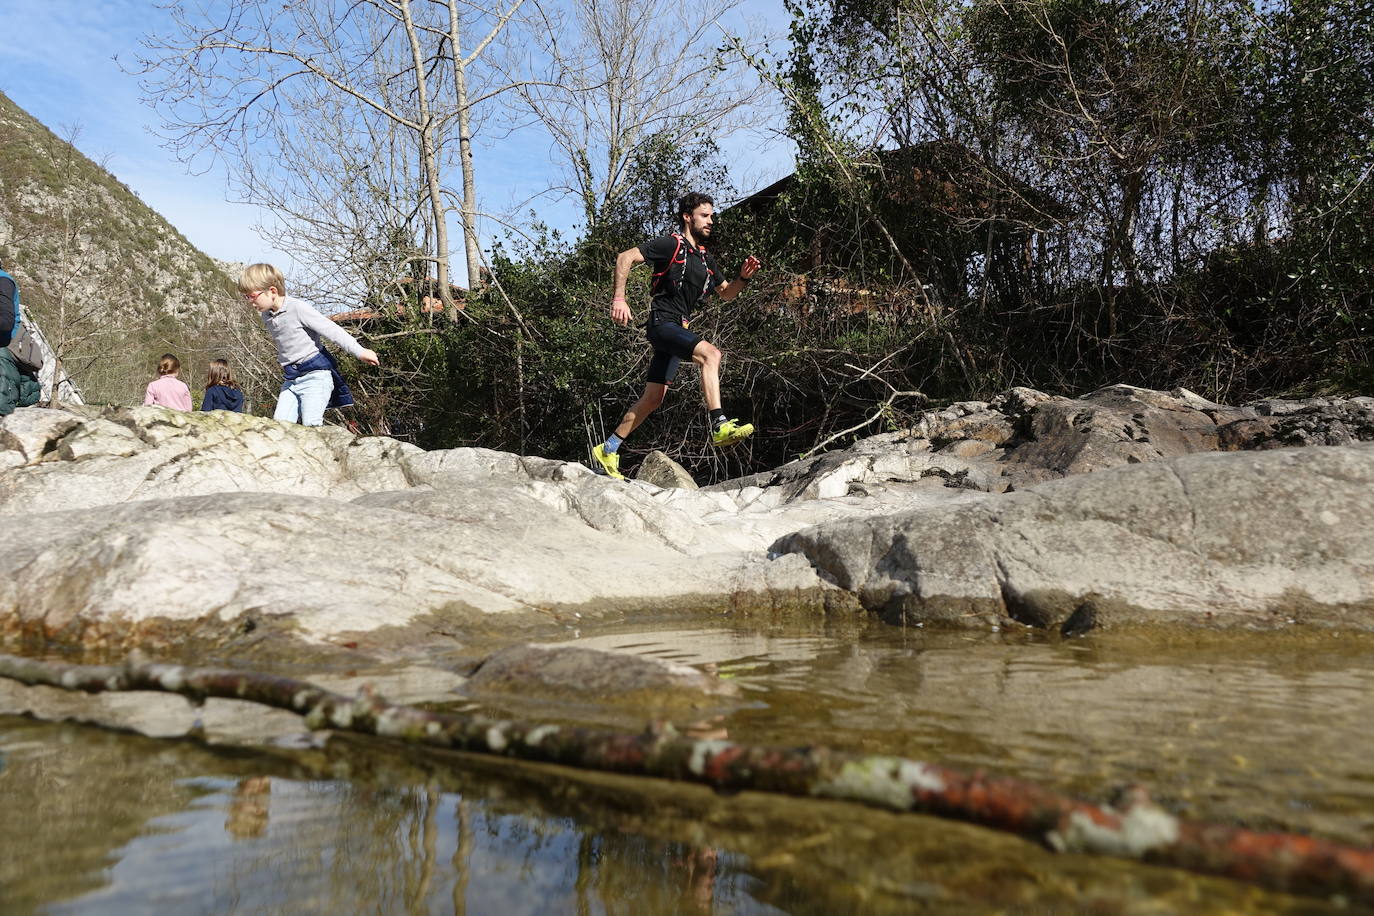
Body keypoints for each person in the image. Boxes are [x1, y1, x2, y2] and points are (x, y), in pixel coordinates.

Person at [590, 192, 762, 479]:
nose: (710, 221)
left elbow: (726, 293)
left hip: (677, 330)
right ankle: (719, 423)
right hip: (662, 323)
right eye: (704, 215)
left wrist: (743, 278)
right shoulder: (671, 244)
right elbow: (625, 257)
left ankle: (608, 449)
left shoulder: (705, 259)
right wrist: (619, 299)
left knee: (653, 398)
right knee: (711, 354)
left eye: (711, 216)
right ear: (687, 217)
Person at [237, 263, 379, 426]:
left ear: (273, 291)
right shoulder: (266, 316)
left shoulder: (298, 308)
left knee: (311, 425)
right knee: (279, 426)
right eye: (246, 297)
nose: (250, 301)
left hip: (315, 376)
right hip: (291, 379)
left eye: (252, 296)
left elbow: (331, 329)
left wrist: (359, 351)